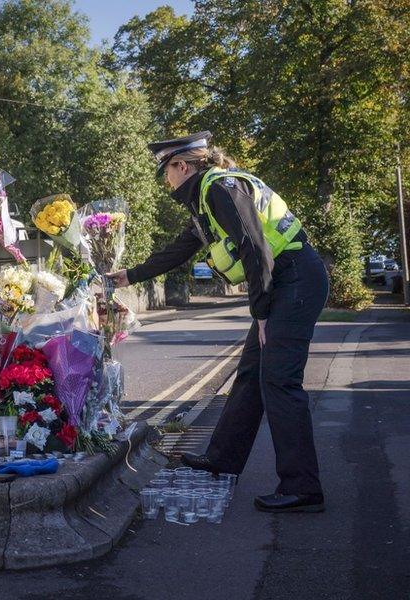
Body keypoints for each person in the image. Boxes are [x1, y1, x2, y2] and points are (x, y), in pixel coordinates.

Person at [107, 131, 329, 513]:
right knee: (250, 376)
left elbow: (255, 247)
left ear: (182, 165)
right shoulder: (206, 200)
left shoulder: (219, 189)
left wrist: (260, 313)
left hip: (296, 278)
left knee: (279, 381)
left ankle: (303, 487)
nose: (165, 182)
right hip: (285, 280)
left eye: (166, 172)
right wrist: (129, 276)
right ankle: (222, 459)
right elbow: (179, 250)